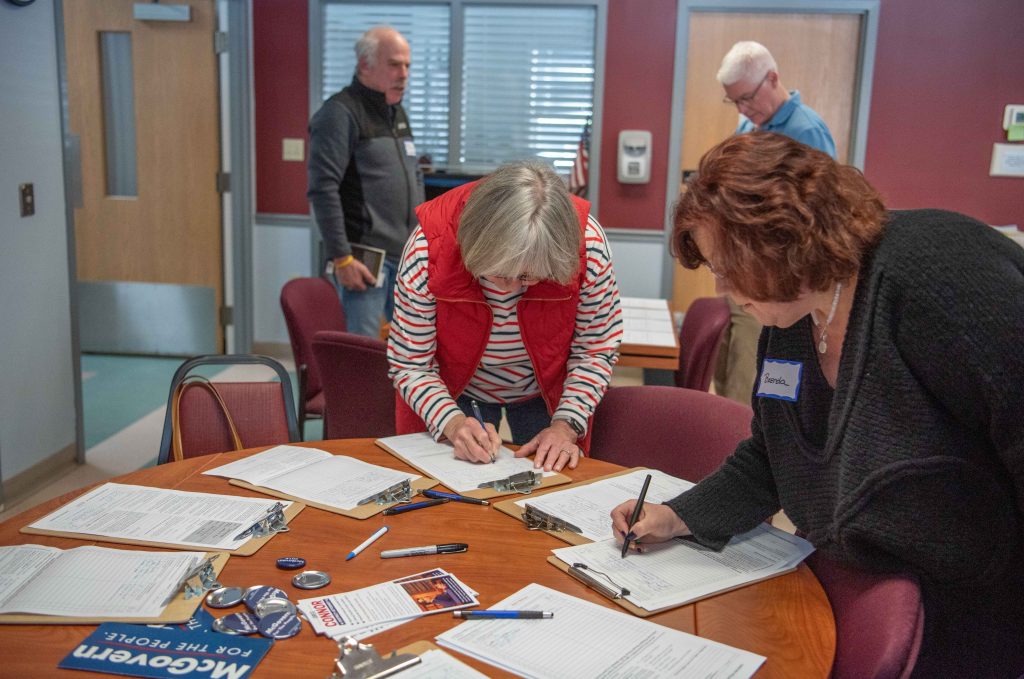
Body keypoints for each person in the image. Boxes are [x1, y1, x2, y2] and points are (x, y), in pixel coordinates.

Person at [612, 132, 1024, 676]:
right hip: (857, 579)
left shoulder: (933, 274)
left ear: (787, 242)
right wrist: (676, 516)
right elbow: (773, 458)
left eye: (731, 266)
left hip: (974, 602)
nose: (725, 287)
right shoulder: (790, 321)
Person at [388, 161, 623, 473]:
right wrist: (453, 423)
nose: (511, 290)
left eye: (528, 277)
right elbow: (411, 363)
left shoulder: (587, 248)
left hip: (548, 394)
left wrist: (566, 426)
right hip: (450, 390)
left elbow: (595, 351)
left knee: (549, 488)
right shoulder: (428, 248)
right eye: (498, 274)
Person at [713, 40, 837, 406]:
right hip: (741, 269)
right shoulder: (749, 126)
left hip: (774, 281)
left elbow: (818, 220)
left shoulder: (806, 132)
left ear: (773, 78)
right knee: (729, 363)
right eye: (734, 101)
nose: (743, 108)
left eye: (748, 97)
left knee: (750, 376)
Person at [307, 25, 424, 338]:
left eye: (408, 66)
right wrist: (341, 257)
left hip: (404, 260)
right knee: (362, 360)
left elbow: (414, 175)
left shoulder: (395, 112)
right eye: (394, 64)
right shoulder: (339, 113)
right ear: (364, 66)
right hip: (362, 261)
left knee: (406, 354)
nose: (404, 74)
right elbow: (323, 189)